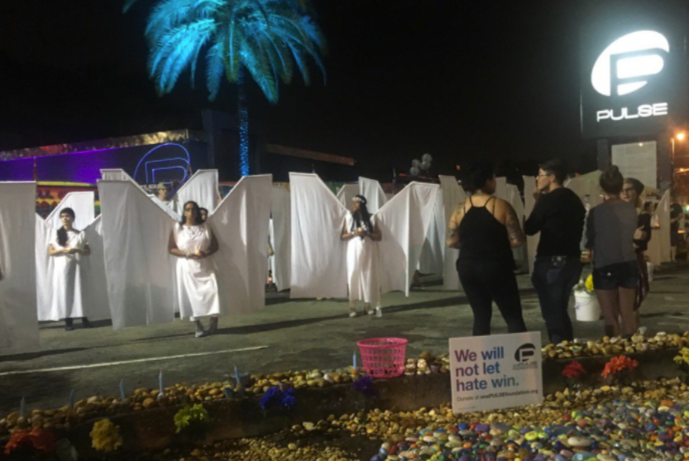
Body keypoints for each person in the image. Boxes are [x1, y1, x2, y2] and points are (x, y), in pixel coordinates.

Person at [447, 159, 527, 336]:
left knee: (481, 316)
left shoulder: (461, 207)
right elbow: (517, 240)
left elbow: (451, 242)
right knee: (513, 316)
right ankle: (522, 360)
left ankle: (481, 360)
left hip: (467, 266)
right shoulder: (501, 205)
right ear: (488, 180)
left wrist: (471, 244)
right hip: (495, 265)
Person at [524, 159, 586, 345]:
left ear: (552, 177)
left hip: (551, 261)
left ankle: (560, 353)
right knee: (560, 309)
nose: (537, 178)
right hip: (572, 261)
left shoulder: (548, 200)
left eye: (540, 175)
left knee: (552, 313)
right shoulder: (574, 199)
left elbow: (530, 227)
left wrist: (537, 202)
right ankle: (567, 351)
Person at [585, 166, 639, 337]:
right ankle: (632, 355)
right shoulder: (630, 209)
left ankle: (615, 359)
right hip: (629, 263)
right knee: (628, 315)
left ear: (602, 188)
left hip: (604, 264)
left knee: (610, 318)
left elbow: (589, 240)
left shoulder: (596, 212)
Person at [168, 201, 221, 338]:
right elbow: (171, 248)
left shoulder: (205, 227)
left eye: (193, 210)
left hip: (205, 264)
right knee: (190, 296)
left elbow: (215, 245)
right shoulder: (177, 228)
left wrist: (206, 253)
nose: (191, 212)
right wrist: (187, 254)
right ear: (184, 212)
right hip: (187, 266)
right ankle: (197, 325)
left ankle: (213, 320)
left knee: (212, 291)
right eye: (188, 209)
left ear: (197, 212)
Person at [48, 208, 93, 331]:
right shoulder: (56, 234)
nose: (64, 218)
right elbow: (51, 252)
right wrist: (64, 250)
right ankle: (68, 320)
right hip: (62, 268)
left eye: (67, 216)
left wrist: (78, 250)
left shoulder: (80, 234)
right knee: (65, 292)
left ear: (72, 218)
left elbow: (88, 251)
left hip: (78, 267)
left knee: (80, 291)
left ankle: (84, 317)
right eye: (62, 216)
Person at [341, 195, 382, 318]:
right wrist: (354, 233)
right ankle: (352, 306)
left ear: (362, 204)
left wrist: (368, 233)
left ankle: (367, 305)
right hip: (353, 249)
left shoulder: (371, 218)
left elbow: (379, 237)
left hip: (368, 249)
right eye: (353, 202)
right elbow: (342, 236)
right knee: (353, 274)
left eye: (356, 202)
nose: (353, 205)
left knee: (367, 275)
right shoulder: (348, 218)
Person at [670, 193, 683, 262]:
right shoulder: (664, 205)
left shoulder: (677, 206)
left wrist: (674, 219)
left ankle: (673, 257)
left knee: (673, 241)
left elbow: (681, 215)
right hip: (664, 227)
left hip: (674, 226)